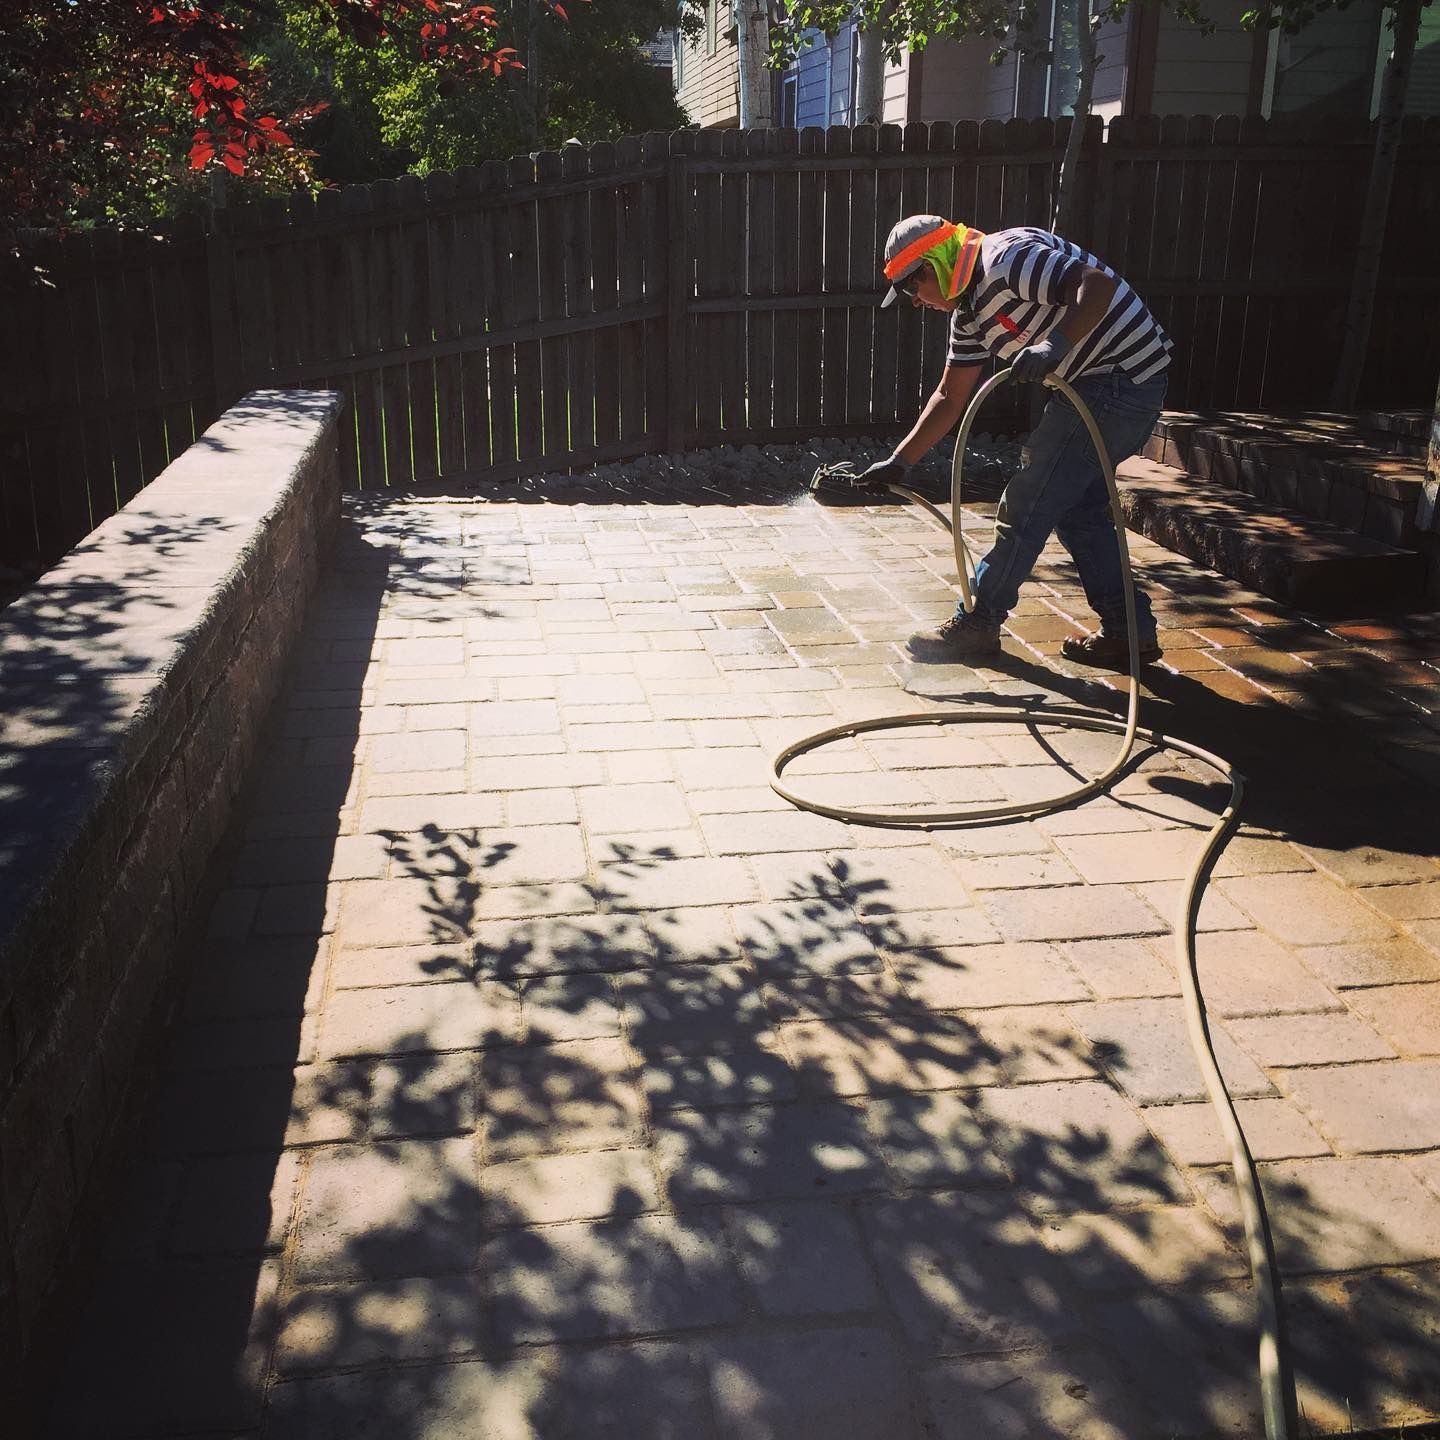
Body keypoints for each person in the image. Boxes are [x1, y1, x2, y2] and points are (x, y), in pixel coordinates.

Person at [857, 214, 1173, 670]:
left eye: (911, 289)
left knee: (1029, 500)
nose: (914, 302)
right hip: (1099, 385)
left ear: (932, 267)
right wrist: (899, 462)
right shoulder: (968, 313)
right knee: (1078, 512)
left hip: (1121, 379)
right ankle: (1129, 634)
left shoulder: (1005, 259)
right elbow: (949, 396)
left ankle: (979, 622)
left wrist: (1055, 345)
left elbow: (1095, 285)